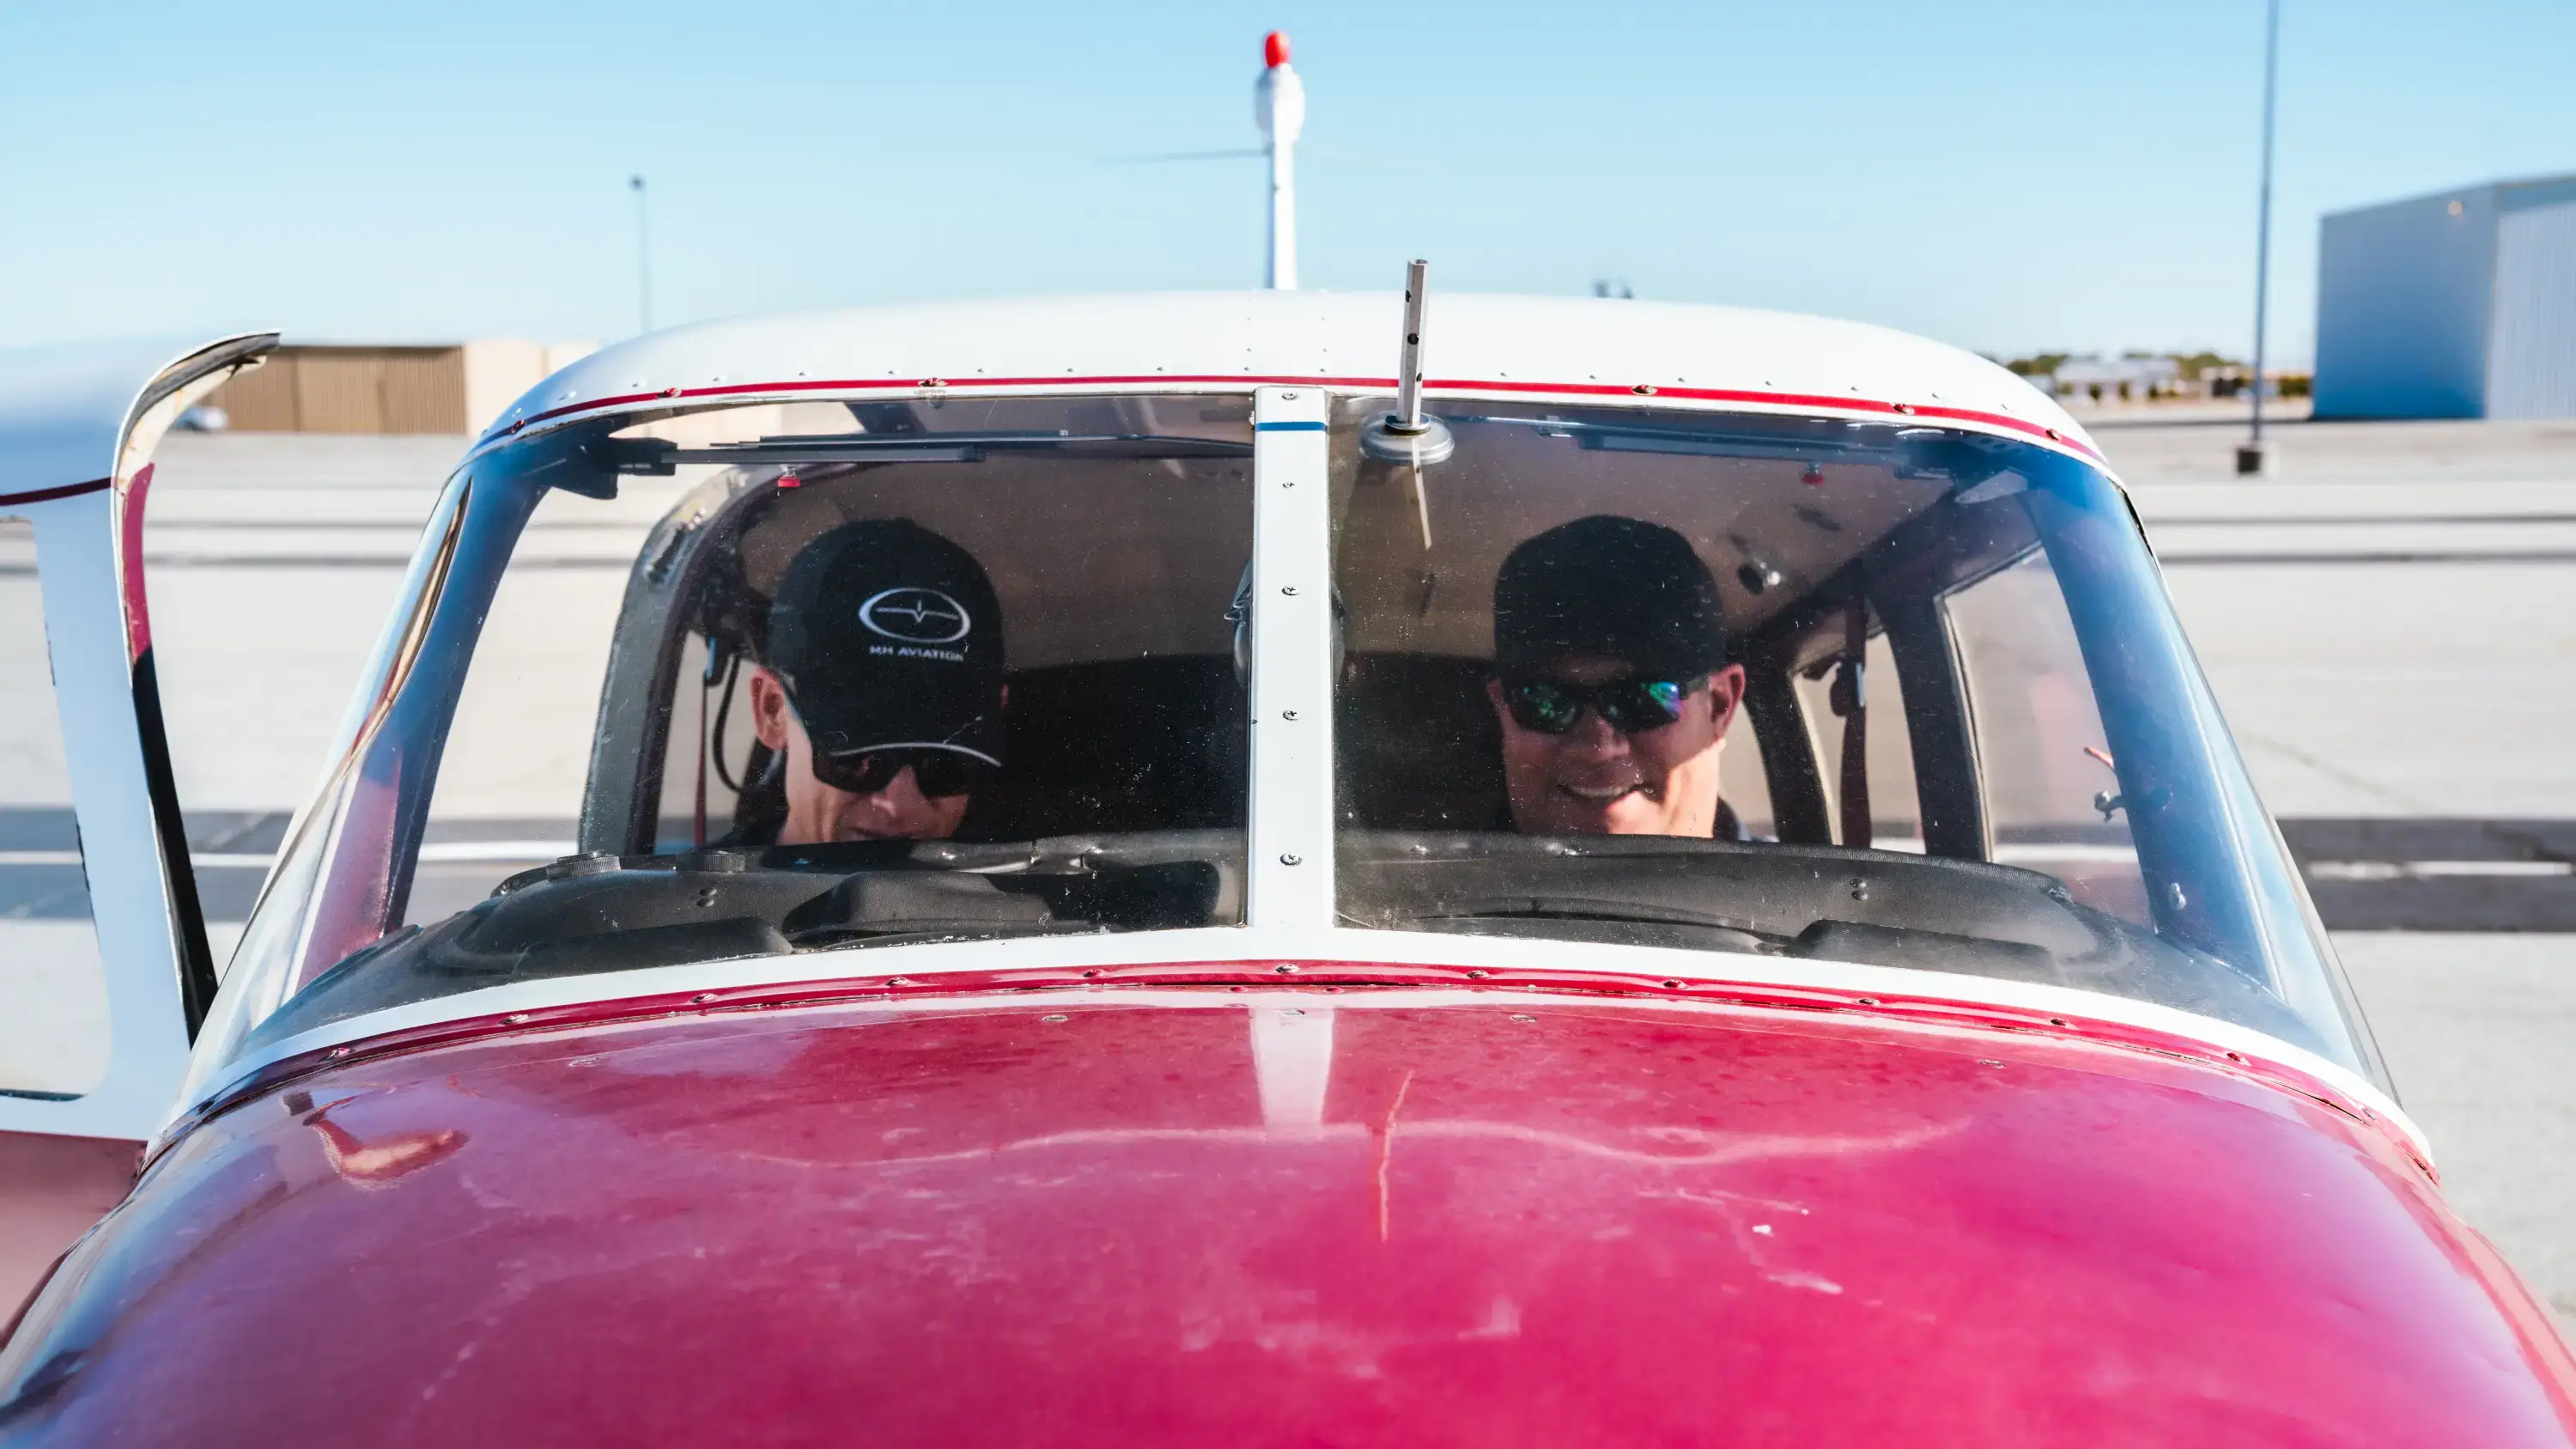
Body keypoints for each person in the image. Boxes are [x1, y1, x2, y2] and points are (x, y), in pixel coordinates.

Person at [744, 518, 1007, 844]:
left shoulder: (1021, 894)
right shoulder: (693, 895)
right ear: (771, 710)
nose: (900, 805)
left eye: (945, 762)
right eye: (858, 759)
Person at [1485, 514, 1749, 838]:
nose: (1597, 748)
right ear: (1504, 711)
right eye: (1544, 700)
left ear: (1720, 704)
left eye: (1642, 699)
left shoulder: (1805, 889)